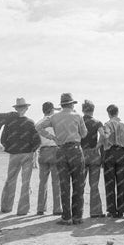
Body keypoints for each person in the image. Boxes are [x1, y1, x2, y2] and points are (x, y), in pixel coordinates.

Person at [36, 93, 87, 225]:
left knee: (64, 185)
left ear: (62, 104)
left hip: (61, 150)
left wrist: (52, 137)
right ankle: (77, 216)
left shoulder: (54, 117)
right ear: (71, 104)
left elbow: (38, 127)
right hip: (75, 150)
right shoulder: (77, 116)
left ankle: (66, 217)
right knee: (78, 184)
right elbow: (84, 133)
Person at [0, 98, 41, 215]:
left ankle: (6, 207)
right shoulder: (30, 122)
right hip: (27, 154)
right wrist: (32, 150)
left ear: (16, 109)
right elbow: (37, 140)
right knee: (25, 182)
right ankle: (22, 210)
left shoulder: (9, 123)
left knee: (10, 180)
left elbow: (3, 139)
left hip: (14, 154)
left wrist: (10, 148)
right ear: (26, 108)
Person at [102, 104, 124, 218]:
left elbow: (105, 138)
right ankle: (121, 209)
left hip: (110, 153)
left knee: (109, 183)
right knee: (121, 183)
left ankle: (112, 209)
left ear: (109, 113)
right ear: (117, 112)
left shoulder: (107, 124)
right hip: (121, 153)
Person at [35, 102, 62, 216]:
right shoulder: (57, 122)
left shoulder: (39, 123)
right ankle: (56, 208)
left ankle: (40, 208)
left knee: (42, 182)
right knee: (56, 182)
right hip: (55, 151)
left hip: (43, 151)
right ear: (51, 110)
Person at [80, 99, 105, 218]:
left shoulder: (79, 121)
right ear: (93, 110)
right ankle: (96, 212)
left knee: (80, 184)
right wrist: (98, 146)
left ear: (83, 110)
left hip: (82, 153)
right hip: (95, 154)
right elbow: (103, 135)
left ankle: (77, 211)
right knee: (94, 185)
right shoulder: (97, 122)